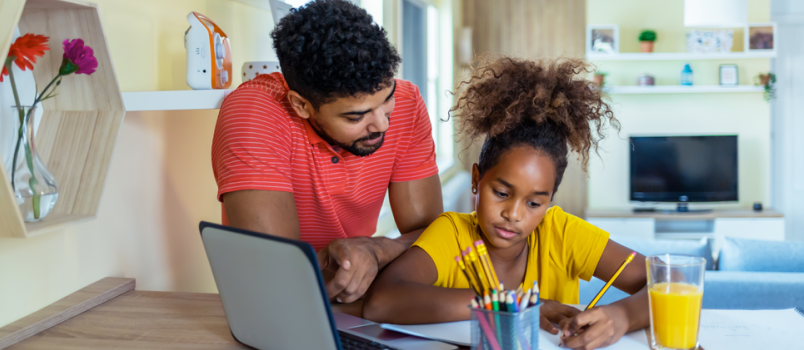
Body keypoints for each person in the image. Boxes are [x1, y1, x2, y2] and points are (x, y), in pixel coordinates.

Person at [362, 56, 648, 350]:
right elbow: (382, 302)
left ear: (550, 201)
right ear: (477, 179)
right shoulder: (452, 234)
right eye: (501, 193)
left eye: (534, 203)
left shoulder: (562, 233)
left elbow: (671, 281)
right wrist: (510, 305)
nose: (513, 214)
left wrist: (622, 315)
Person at [211, 0, 443, 304]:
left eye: (388, 99)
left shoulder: (409, 102)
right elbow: (276, 270)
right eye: (356, 117)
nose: (382, 123)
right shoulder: (254, 113)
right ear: (301, 106)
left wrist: (378, 249)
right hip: (274, 307)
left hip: (362, 302)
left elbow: (436, 239)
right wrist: (383, 256)